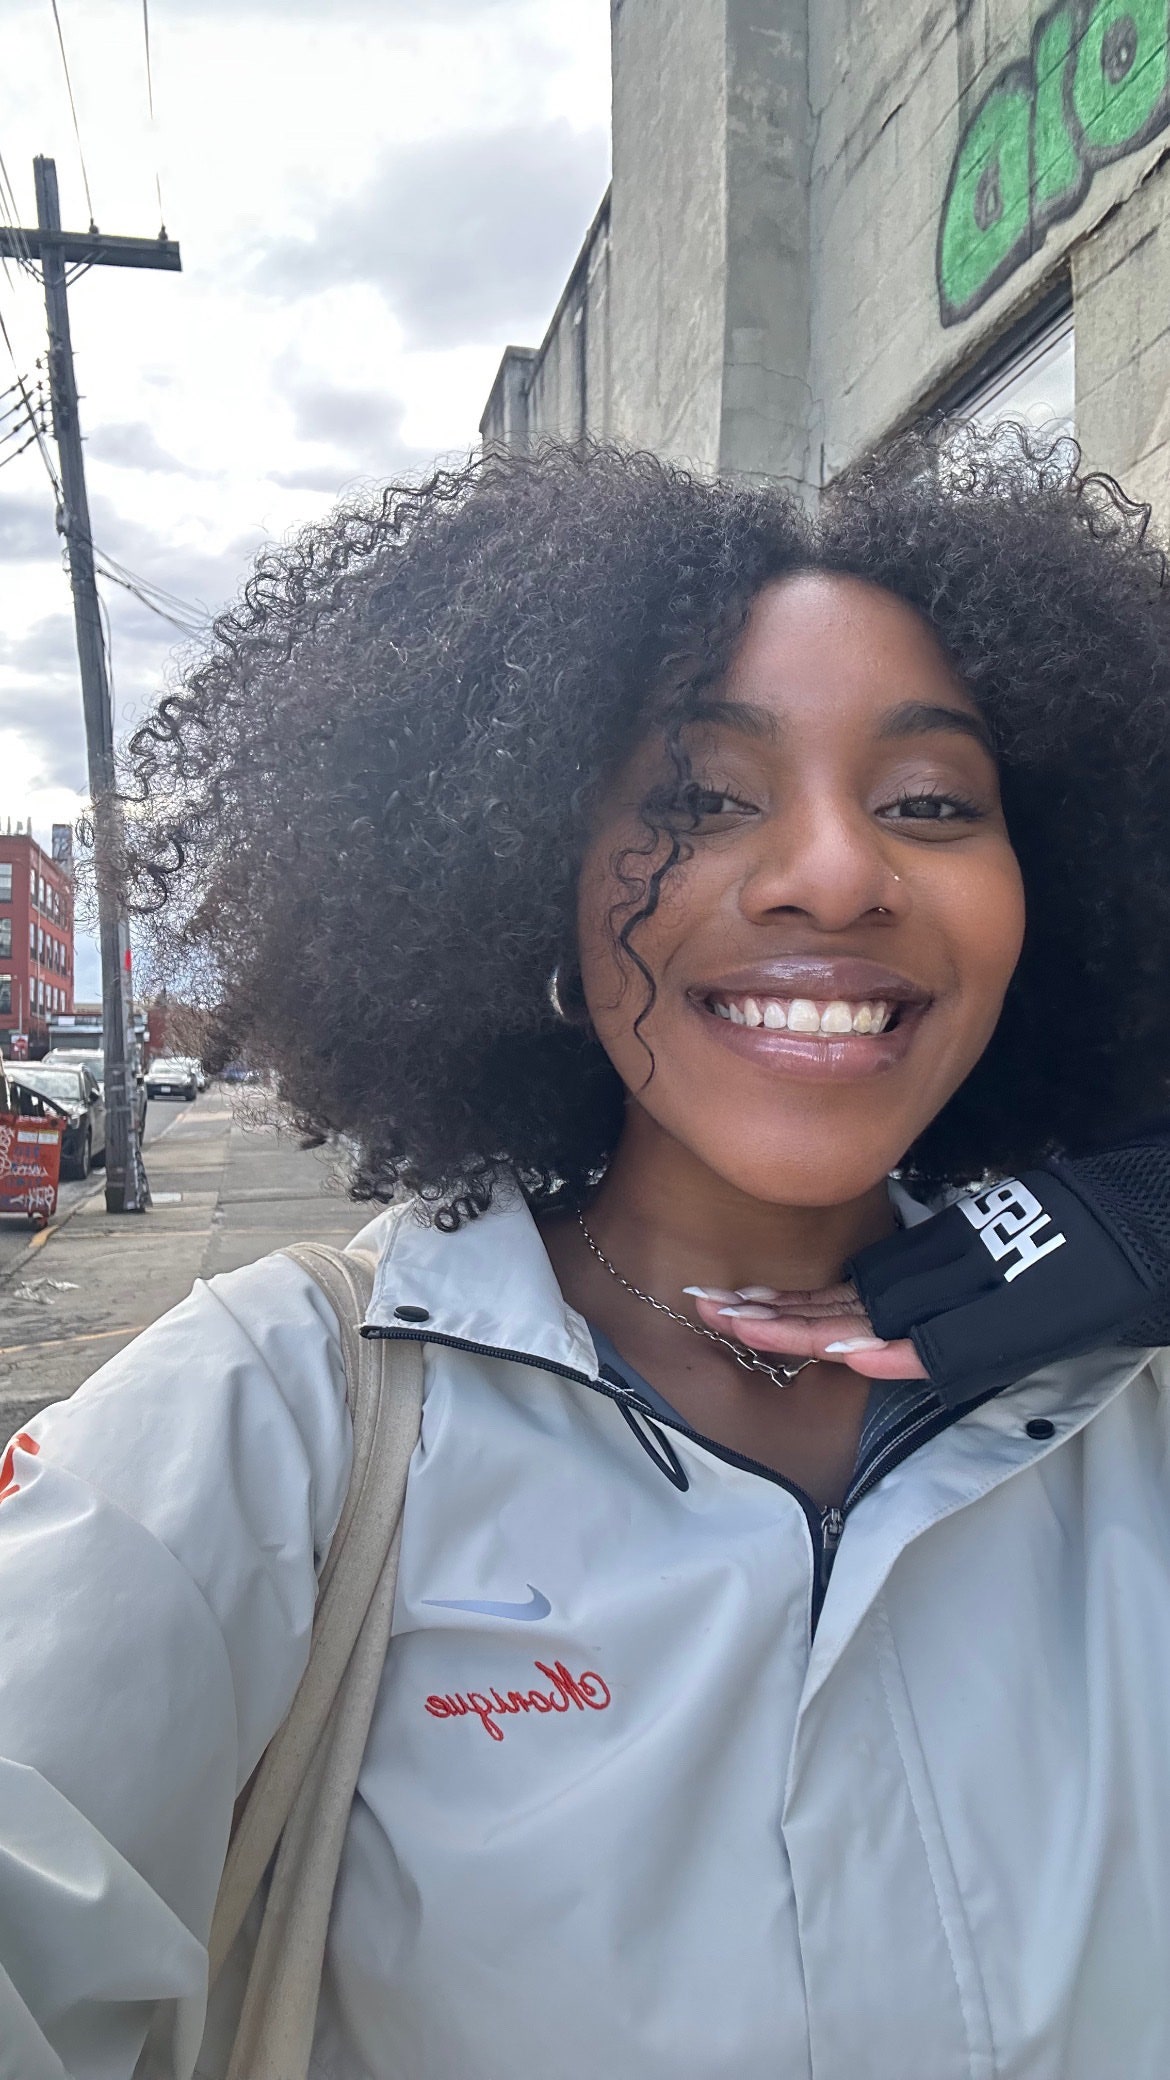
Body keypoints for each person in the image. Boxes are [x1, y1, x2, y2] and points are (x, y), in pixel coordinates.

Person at [2, 428, 1170, 2080]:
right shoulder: (285, 1413)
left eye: (928, 802)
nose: (837, 872)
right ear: (515, 884)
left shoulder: (1129, 1384)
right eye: (697, 796)